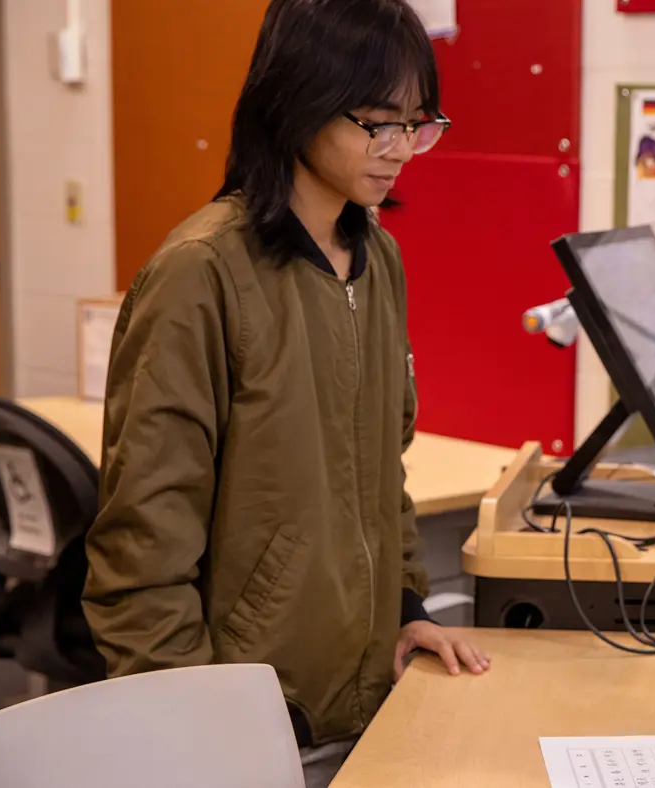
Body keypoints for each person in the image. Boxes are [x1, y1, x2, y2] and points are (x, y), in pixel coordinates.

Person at [80, 1, 488, 785]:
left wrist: (407, 610)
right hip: (250, 730)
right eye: (378, 123)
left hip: (365, 710)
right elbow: (140, 550)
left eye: (418, 124)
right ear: (297, 101)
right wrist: (197, 729)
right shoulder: (201, 274)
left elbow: (382, 474)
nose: (402, 149)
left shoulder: (378, 258)